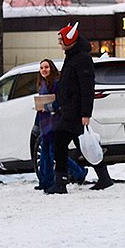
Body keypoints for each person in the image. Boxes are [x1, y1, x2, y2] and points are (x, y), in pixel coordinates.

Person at [45, 22, 114, 194]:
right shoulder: (72, 55)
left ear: (70, 40)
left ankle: (61, 182)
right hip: (70, 110)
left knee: (60, 140)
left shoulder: (82, 59)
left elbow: (86, 87)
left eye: (61, 40)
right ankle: (104, 177)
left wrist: (85, 113)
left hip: (75, 112)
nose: (59, 43)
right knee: (85, 144)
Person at [35, 58, 87, 190]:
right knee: (45, 153)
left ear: (51, 68)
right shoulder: (42, 84)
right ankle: (45, 182)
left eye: (46, 67)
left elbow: (60, 102)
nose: (44, 70)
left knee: (54, 153)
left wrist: (47, 107)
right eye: (41, 68)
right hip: (44, 123)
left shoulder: (57, 84)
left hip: (56, 122)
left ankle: (79, 172)